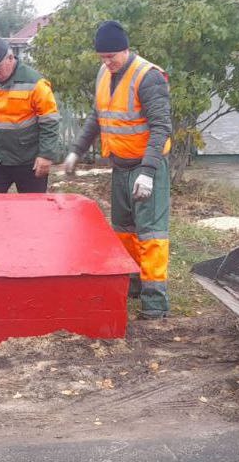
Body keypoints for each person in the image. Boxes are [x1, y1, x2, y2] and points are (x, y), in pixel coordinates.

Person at [63, 21, 172, 320]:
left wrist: (148, 172)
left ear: (126, 49)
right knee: (124, 231)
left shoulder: (148, 77)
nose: (107, 62)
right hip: (121, 166)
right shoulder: (104, 73)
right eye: (102, 57)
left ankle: (155, 303)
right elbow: (97, 117)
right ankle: (133, 283)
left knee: (151, 234)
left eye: (112, 56)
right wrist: (76, 151)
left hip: (147, 165)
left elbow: (161, 128)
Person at [0, 36, 61, 193]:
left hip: (28, 161)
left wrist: (46, 155)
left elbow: (50, 121)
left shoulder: (36, 84)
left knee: (32, 211)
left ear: (10, 58)